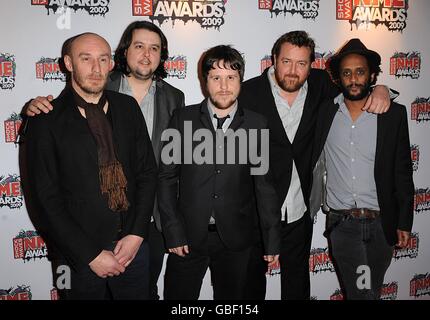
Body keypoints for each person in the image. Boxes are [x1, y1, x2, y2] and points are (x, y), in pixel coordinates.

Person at [23, 21, 185, 300]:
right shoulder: (46, 119)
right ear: (68, 63)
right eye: (86, 59)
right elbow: (44, 199)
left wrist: (136, 236)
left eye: (102, 59)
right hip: (75, 257)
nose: (96, 68)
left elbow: (147, 172)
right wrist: (89, 254)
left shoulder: (127, 107)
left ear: (110, 63)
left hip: (133, 247)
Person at [239, 30, 392, 300]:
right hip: (255, 210)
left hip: (299, 207)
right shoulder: (248, 92)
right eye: (286, 61)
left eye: (302, 63)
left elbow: (356, 88)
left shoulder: (322, 85)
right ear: (273, 59)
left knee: (297, 283)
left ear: (312, 65)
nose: (292, 71)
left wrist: (382, 89)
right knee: (250, 285)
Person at [157, 45, 281, 300]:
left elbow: (264, 186)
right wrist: (173, 230)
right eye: (216, 77)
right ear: (205, 82)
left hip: (236, 239)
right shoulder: (182, 119)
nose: (224, 86)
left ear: (240, 81)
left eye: (231, 77)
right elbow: (166, 178)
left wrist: (272, 239)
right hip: (187, 237)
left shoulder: (257, 124)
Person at [311, 38, 414, 299]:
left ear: (372, 75)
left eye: (360, 71)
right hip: (344, 226)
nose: (354, 79)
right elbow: (296, 74)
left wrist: (404, 220)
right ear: (338, 78)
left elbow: (402, 171)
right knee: (363, 293)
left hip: (382, 225)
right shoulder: (325, 112)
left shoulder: (394, 115)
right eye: (347, 73)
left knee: (371, 291)